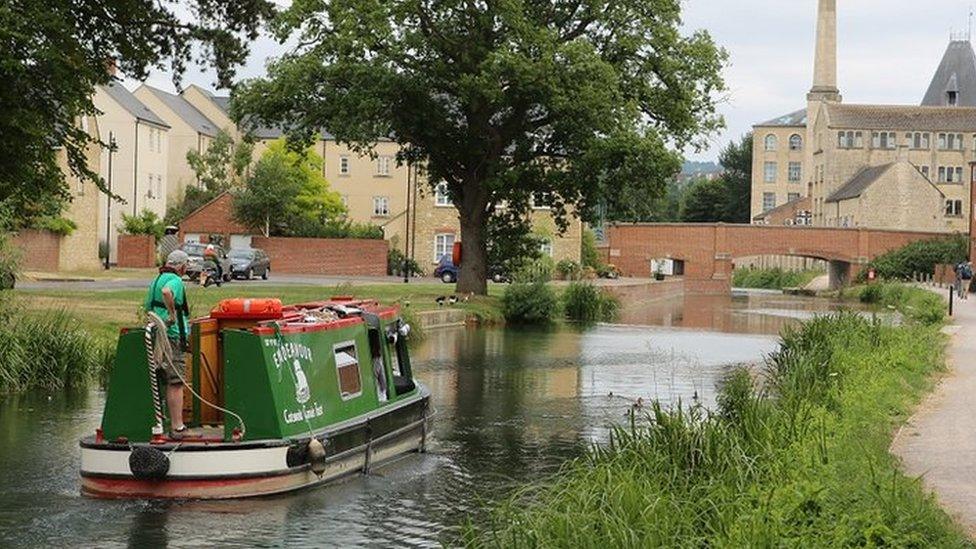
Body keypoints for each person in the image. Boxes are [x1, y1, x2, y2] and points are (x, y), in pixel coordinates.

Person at [144, 250, 191, 438]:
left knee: (159, 381)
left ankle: (159, 423)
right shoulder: (176, 281)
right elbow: (167, 292)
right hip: (171, 336)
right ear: (182, 266)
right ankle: (178, 426)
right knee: (175, 382)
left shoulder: (156, 280)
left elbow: (148, 308)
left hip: (156, 336)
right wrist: (172, 314)